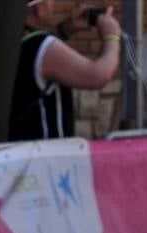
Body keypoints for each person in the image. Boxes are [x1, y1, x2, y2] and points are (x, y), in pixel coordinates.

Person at [9, 0, 122, 140]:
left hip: (17, 149)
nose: (54, 5)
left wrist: (65, 28)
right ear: (39, 9)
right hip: (46, 154)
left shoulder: (10, 39)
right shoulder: (42, 45)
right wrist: (112, 36)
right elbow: (98, 74)